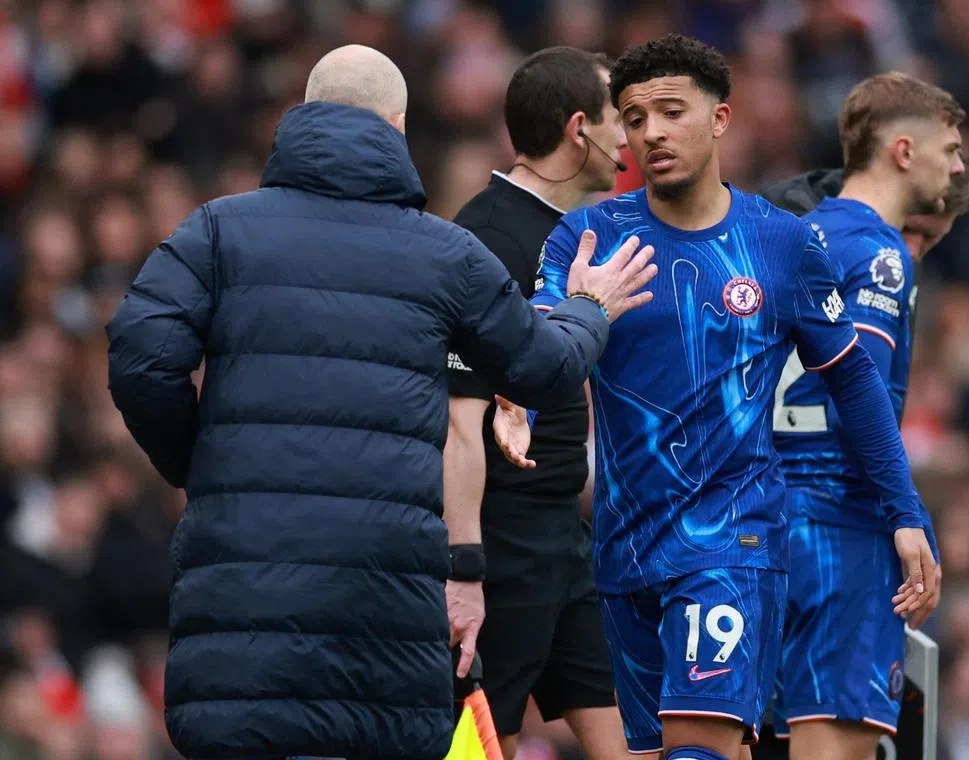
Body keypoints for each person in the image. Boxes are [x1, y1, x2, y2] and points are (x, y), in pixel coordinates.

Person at [104, 44, 657, 760]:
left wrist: (200, 461)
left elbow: (141, 357)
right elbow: (545, 370)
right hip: (385, 612)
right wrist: (587, 307)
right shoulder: (446, 253)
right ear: (397, 127)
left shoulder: (217, 231)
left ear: (302, 116)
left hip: (244, 606)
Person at [493, 35, 939, 760]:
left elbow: (855, 380)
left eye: (672, 112)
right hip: (625, 545)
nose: (651, 133)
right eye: (634, 118)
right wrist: (522, 404)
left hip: (733, 538)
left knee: (698, 747)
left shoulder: (782, 244)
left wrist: (904, 511)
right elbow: (543, 337)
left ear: (721, 118)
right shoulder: (589, 235)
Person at [761, 72, 967, 760]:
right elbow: (858, 393)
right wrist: (907, 513)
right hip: (839, 526)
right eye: (950, 149)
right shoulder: (879, 253)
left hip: (760, 521)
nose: (958, 167)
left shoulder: (788, 236)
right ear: (903, 151)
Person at [443, 47, 632, 760]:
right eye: (617, 118)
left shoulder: (580, 230)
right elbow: (458, 421)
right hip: (506, 542)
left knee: (630, 736)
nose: (628, 137)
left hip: (564, 538)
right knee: (491, 742)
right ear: (579, 128)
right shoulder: (485, 239)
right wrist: (466, 565)